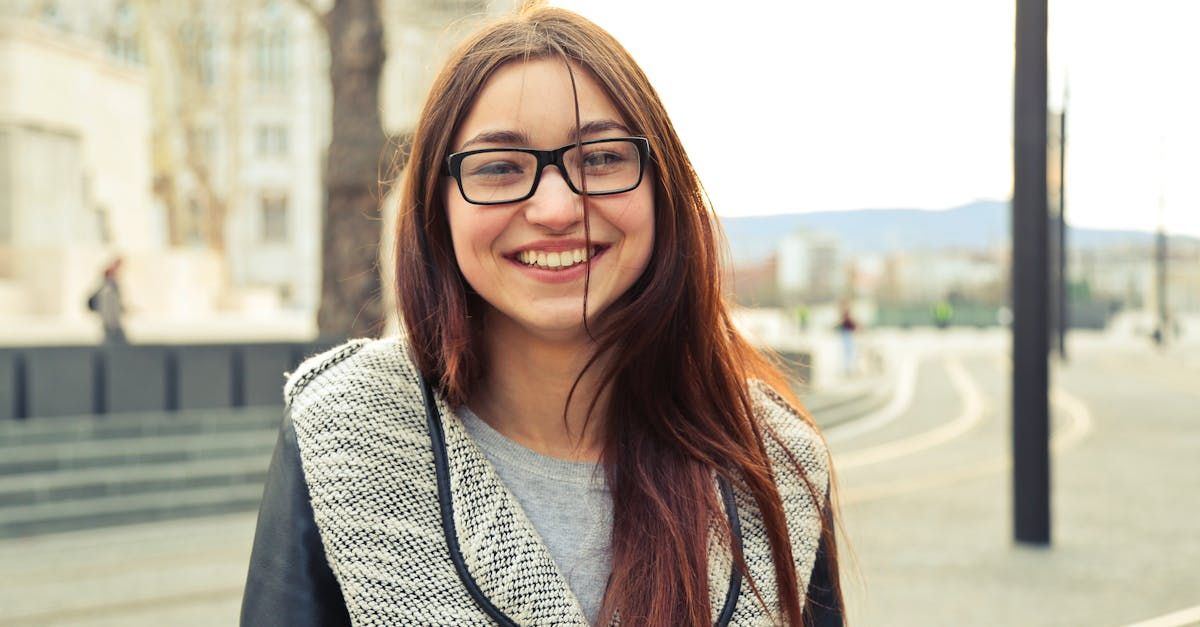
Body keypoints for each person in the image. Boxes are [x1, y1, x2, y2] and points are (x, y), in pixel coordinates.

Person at [241, 5, 842, 626]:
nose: (556, 207)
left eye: (602, 159)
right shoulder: (348, 429)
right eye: (500, 168)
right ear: (436, 207)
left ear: (663, 187)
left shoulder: (773, 463)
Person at [88, 257, 126, 344]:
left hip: (112, 326)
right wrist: (112, 325)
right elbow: (108, 310)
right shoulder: (108, 291)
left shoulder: (113, 289)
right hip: (111, 327)